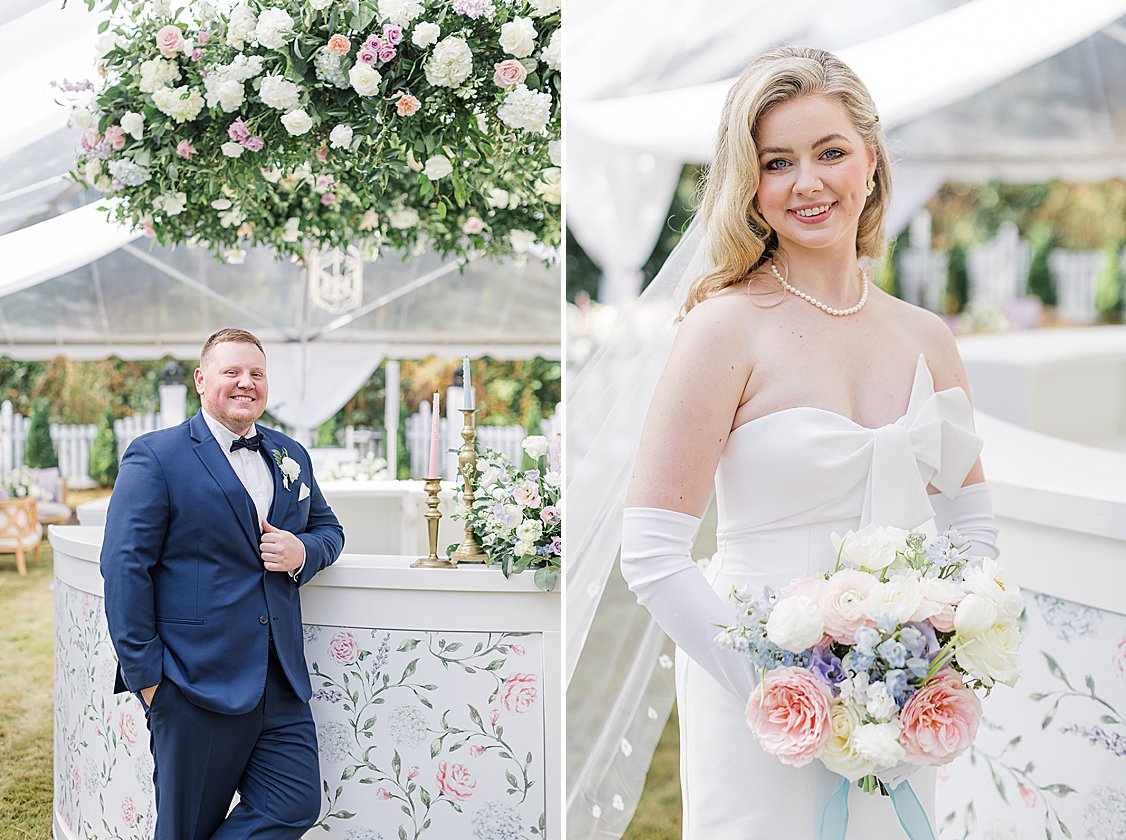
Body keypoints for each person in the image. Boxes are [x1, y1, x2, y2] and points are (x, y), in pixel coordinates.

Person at [616, 48, 1000, 838]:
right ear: (750, 186)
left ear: (871, 159)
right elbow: (651, 553)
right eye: (777, 162)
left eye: (830, 153)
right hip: (761, 710)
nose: (809, 182)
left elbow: (971, 526)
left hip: (900, 708)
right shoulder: (724, 327)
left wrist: (935, 664)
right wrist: (791, 695)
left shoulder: (928, 337)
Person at [102, 328, 345, 839]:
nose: (245, 383)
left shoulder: (290, 454)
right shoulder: (156, 456)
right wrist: (148, 680)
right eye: (231, 371)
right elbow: (125, 569)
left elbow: (329, 529)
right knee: (186, 827)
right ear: (200, 380)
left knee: (294, 805)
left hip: (281, 682)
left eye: (256, 373)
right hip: (193, 682)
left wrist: (304, 551)